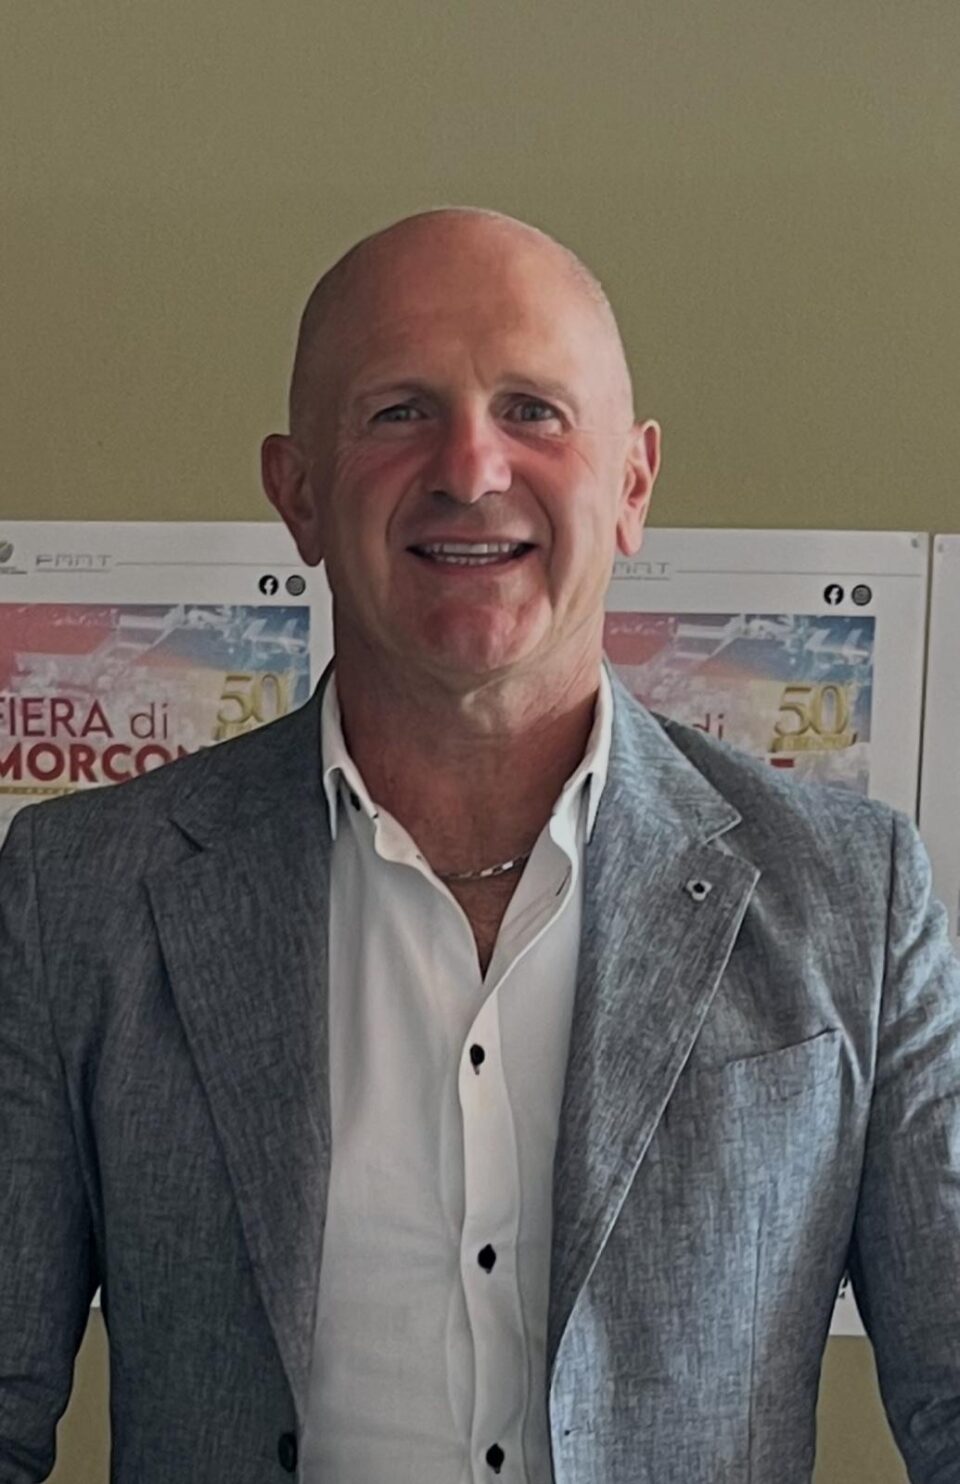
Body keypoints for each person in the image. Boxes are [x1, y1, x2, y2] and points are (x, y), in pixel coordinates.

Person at [1, 208, 958, 1484]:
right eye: (399, 411)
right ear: (298, 492)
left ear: (632, 484)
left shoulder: (854, 894)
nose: (469, 466)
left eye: (533, 411)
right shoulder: (80, 892)